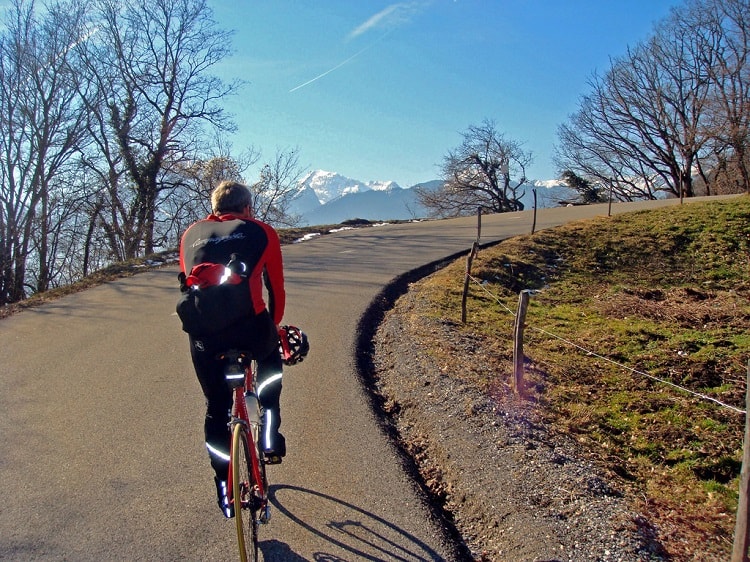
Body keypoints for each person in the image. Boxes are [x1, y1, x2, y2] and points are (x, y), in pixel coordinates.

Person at [179, 180, 286, 518]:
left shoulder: (191, 234)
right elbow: (276, 290)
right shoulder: (261, 231)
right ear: (248, 208)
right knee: (270, 367)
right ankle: (269, 437)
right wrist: (274, 327)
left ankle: (224, 487)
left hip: (203, 336)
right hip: (250, 329)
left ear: (214, 208)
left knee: (216, 407)